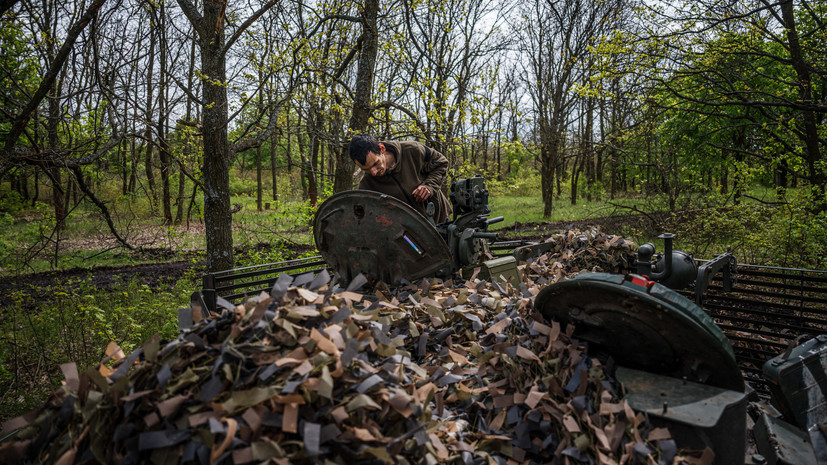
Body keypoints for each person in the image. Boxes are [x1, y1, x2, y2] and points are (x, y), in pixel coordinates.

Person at [348, 134, 452, 223]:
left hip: (439, 220)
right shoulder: (366, 185)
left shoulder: (413, 151)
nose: (374, 172)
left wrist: (429, 186)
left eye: (376, 163)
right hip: (406, 236)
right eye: (366, 169)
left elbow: (441, 163)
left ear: (382, 149)